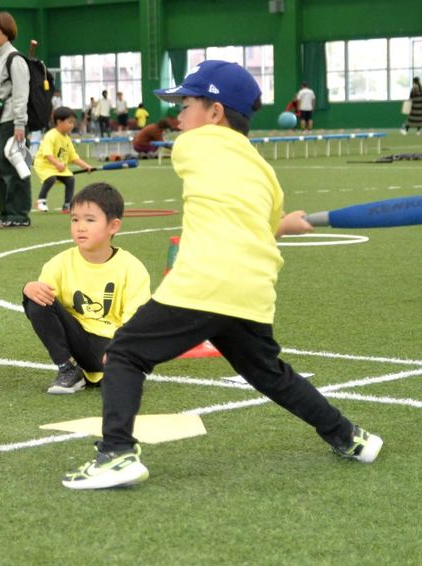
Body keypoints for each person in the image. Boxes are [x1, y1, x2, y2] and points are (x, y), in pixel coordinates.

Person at [62, 61, 383, 490]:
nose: (178, 118)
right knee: (270, 374)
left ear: (215, 113)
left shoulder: (193, 146)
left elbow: (202, 166)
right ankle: (349, 437)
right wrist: (286, 222)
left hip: (204, 283)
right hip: (251, 293)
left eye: (187, 105)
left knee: (126, 353)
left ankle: (116, 453)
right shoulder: (267, 174)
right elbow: (265, 225)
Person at [23, 182, 150, 394]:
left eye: (90, 220)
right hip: (79, 342)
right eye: (75, 219)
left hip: (111, 346)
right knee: (36, 297)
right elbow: (45, 301)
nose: (80, 227)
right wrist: (28, 287)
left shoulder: (132, 268)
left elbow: (136, 319)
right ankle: (68, 370)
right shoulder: (60, 263)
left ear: (113, 226)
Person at [0, 11, 31, 229]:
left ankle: (19, 215)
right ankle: (5, 213)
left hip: (12, 120)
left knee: (14, 168)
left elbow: (21, 93)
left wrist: (20, 123)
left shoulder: (15, 59)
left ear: (7, 32)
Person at [33, 107, 94, 213]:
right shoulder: (51, 135)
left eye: (73, 122)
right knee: (51, 178)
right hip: (44, 164)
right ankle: (41, 201)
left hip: (58, 166)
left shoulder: (66, 138)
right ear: (59, 122)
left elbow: (73, 157)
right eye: (69, 122)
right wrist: (57, 164)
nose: (72, 125)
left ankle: (67, 205)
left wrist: (86, 166)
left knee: (70, 179)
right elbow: (47, 154)